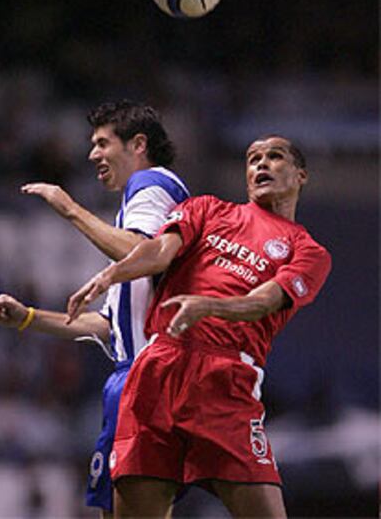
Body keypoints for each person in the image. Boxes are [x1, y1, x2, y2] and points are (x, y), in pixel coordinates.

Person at [66, 134, 332, 518]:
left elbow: (263, 302)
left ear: (300, 175)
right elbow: (158, 252)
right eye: (253, 158)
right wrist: (112, 275)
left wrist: (208, 306)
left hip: (225, 381)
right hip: (158, 369)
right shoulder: (208, 209)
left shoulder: (307, 251)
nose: (261, 165)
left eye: (274, 157)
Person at [0, 100, 190, 518]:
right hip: (135, 378)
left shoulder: (151, 184)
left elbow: (144, 252)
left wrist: (69, 208)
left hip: (145, 379)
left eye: (102, 143)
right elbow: (107, 324)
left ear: (138, 144)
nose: (92, 155)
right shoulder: (139, 204)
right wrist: (27, 317)